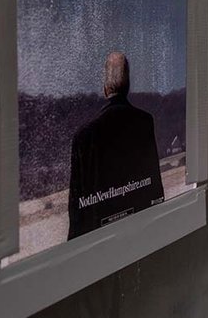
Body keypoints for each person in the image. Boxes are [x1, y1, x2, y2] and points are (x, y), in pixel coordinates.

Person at [67, 52, 165, 239]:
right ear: (128, 87)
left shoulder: (83, 137)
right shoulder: (144, 122)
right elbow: (154, 185)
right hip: (140, 233)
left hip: (99, 242)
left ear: (105, 89)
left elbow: (76, 210)